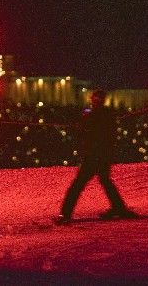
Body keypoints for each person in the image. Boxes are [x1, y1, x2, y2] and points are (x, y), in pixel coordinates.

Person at [56, 90, 137, 224]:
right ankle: (119, 207)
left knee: (78, 184)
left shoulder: (92, 115)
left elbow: (85, 133)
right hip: (103, 154)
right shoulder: (106, 115)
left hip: (93, 155)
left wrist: (81, 127)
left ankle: (65, 213)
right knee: (105, 181)